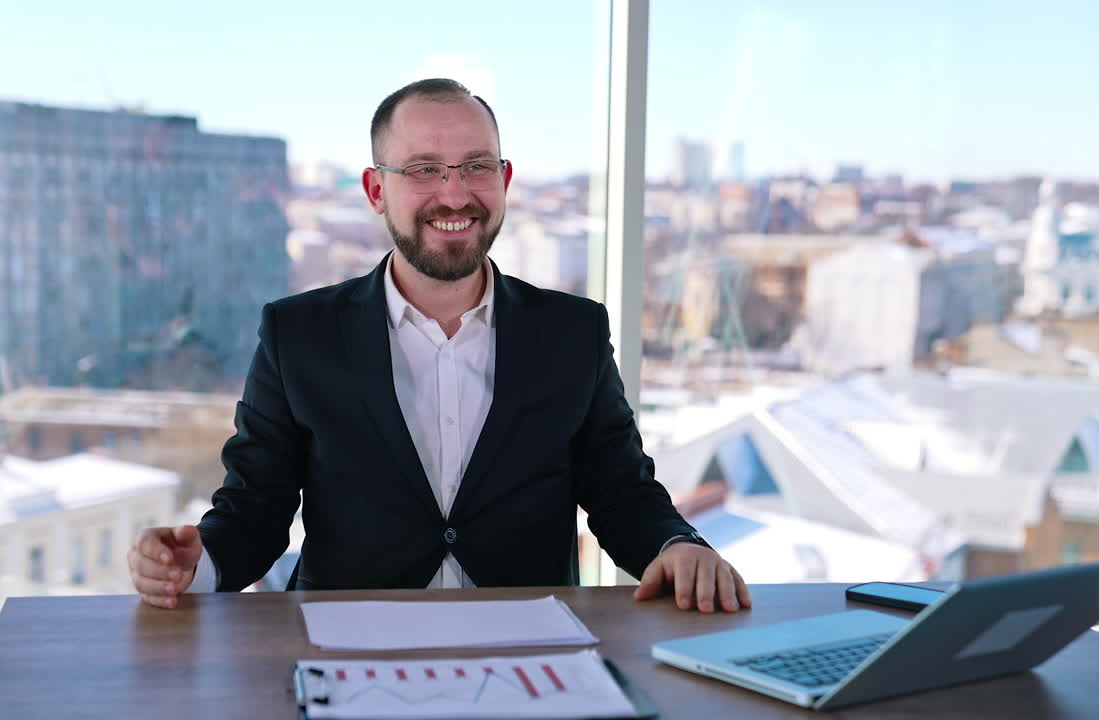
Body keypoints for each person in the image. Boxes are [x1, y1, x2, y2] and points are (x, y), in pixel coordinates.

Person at [128, 78, 752, 614]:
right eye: (425, 169)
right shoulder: (298, 334)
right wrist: (198, 562)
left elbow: (623, 494)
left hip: (529, 647)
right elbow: (255, 508)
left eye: (477, 166)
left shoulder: (574, 332)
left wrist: (678, 548)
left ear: (504, 179)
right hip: (348, 646)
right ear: (376, 191)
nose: (455, 195)